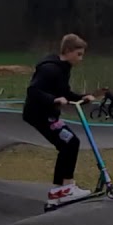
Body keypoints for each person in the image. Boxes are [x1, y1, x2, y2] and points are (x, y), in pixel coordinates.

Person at [22, 34, 97, 206]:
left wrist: (83, 97)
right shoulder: (50, 69)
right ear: (68, 51)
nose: (81, 58)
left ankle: (60, 190)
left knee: (69, 143)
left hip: (48, 114)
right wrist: (53, 100)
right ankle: (67, 187)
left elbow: (65, 93)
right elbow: (33, 90)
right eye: (79, 54)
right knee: (70, 142)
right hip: (38, 115)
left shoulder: (64, 69)